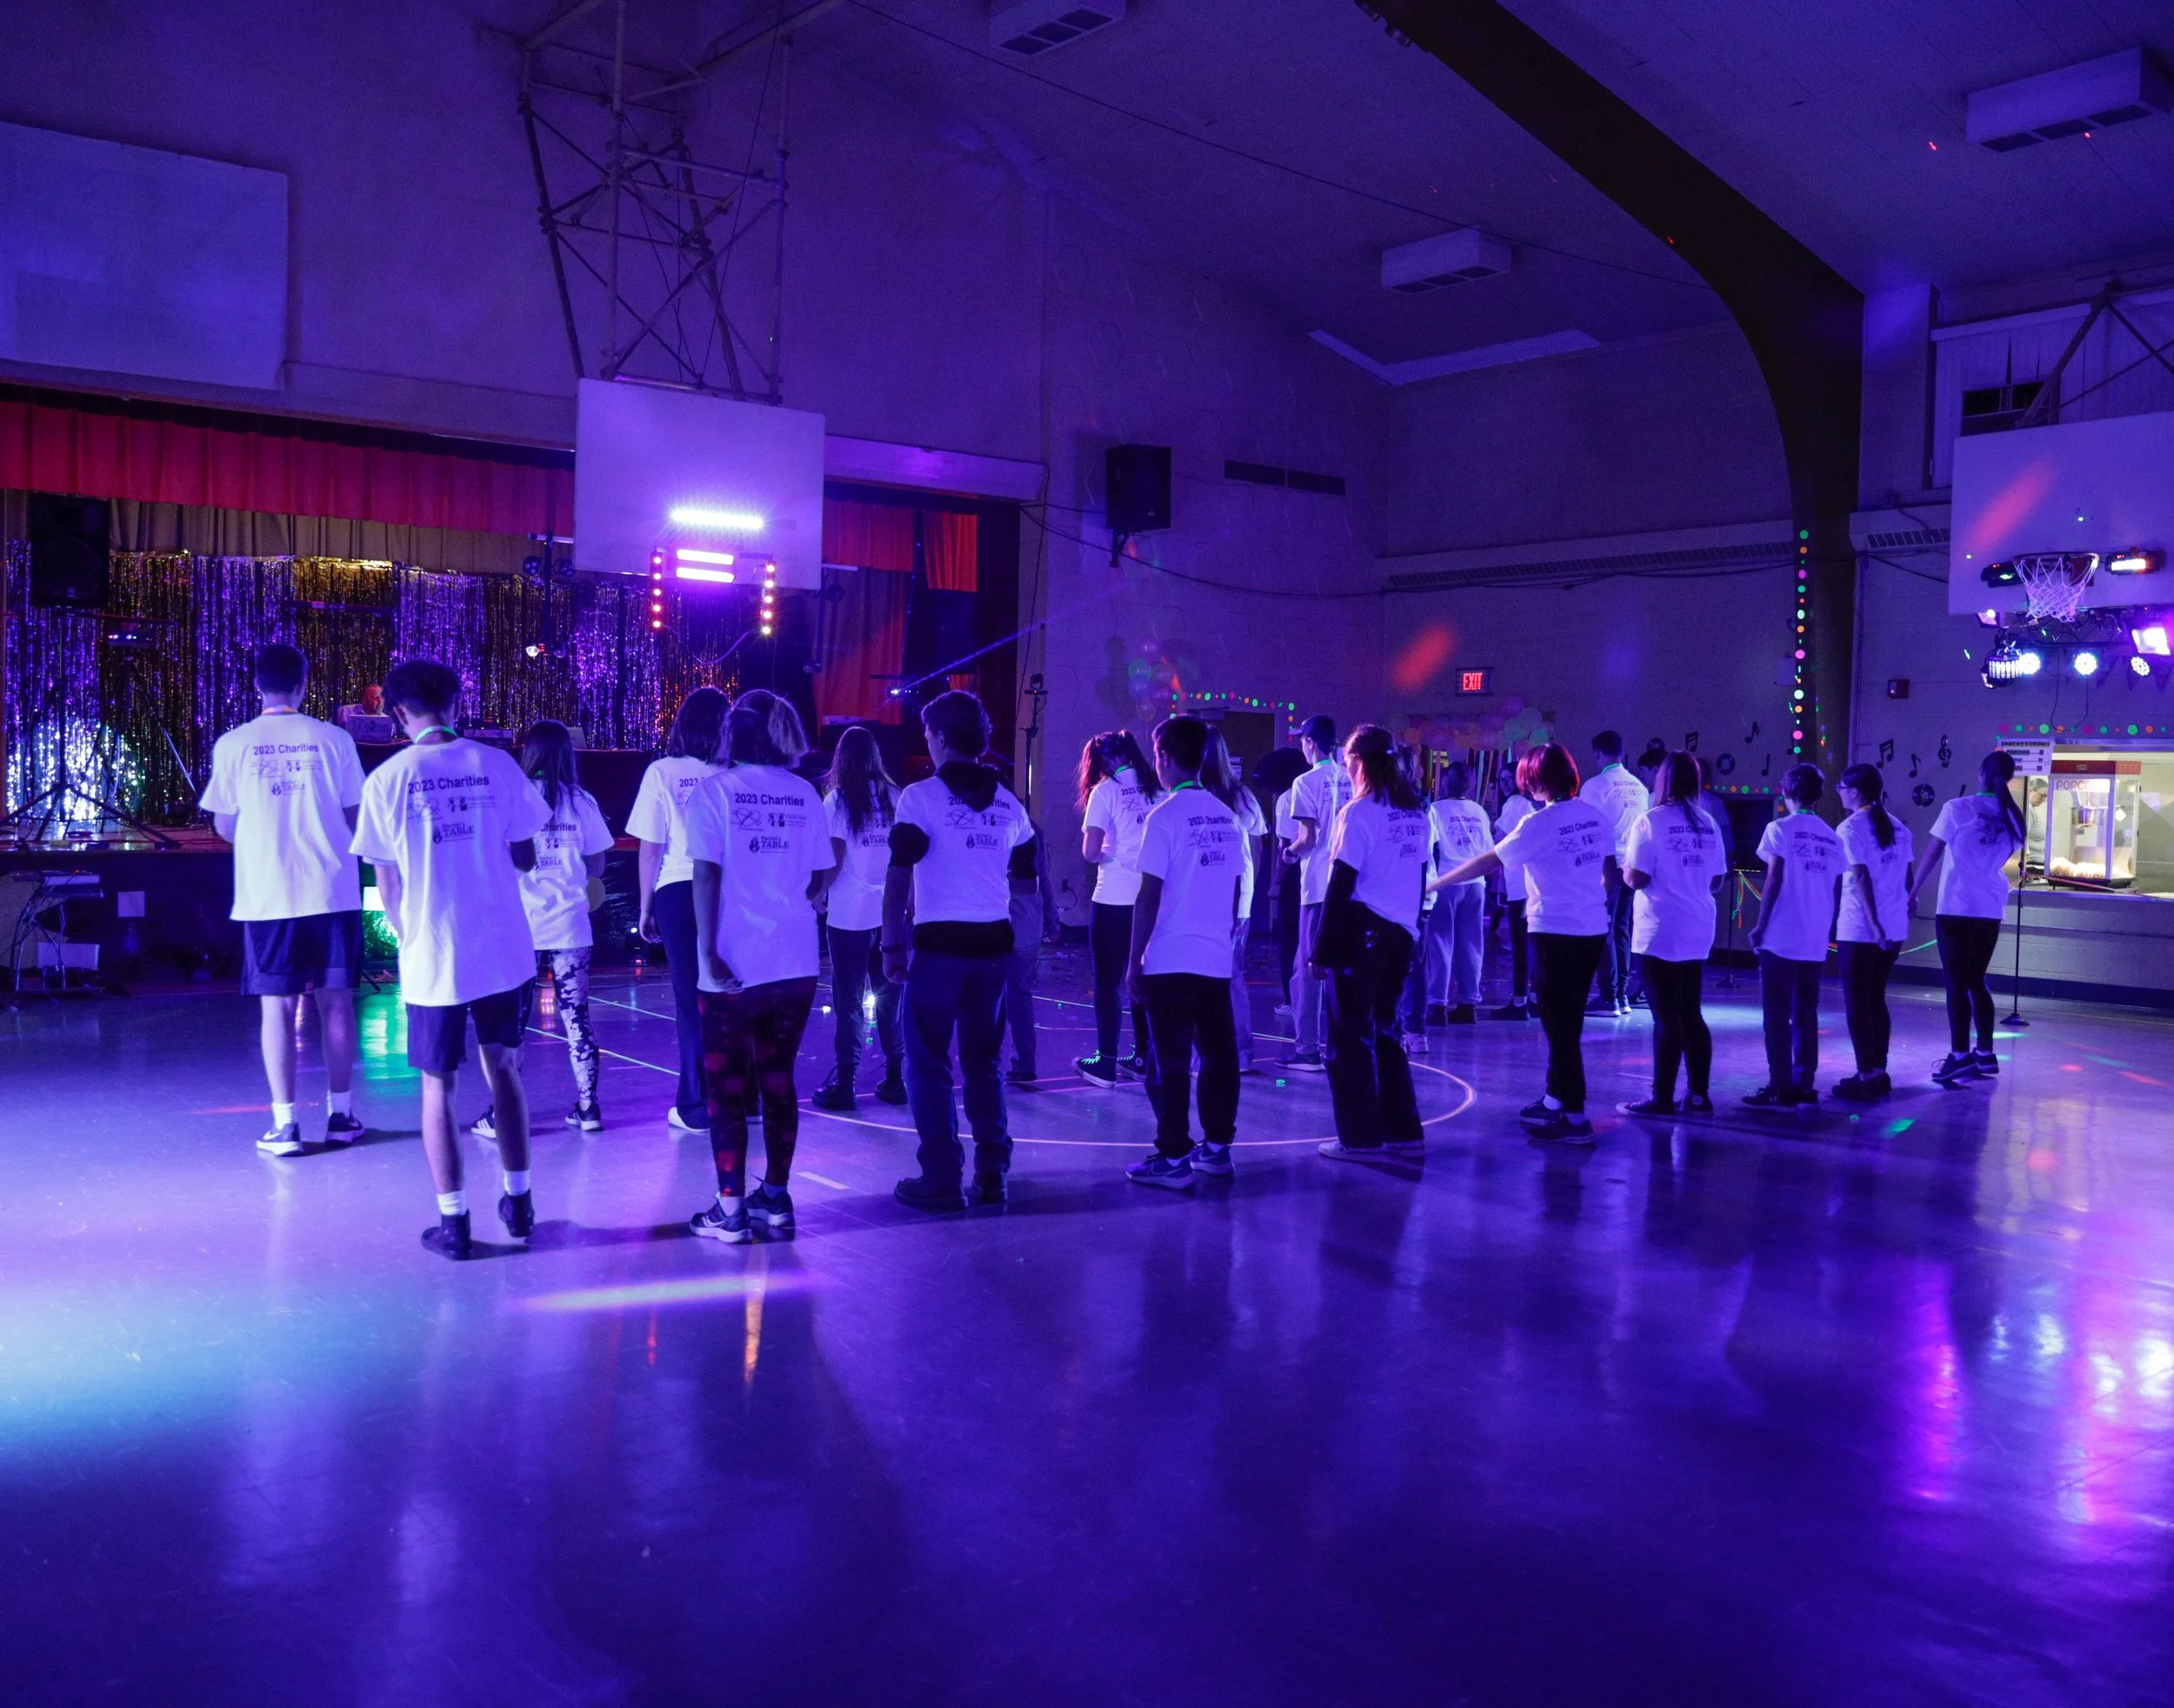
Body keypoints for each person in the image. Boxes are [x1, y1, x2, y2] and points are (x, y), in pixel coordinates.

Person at [351, 659, 551, 1260]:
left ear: (396, 714)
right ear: (458, 703)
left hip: (434, 950)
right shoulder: (496, 764)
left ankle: (455, 1222)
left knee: (437, 1085)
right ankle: (519, 1202)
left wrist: (410, 933)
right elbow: (526, 856)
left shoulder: (387, 780)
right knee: (505, 1071)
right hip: (502, 948)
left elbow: (386, 885)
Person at [200, 642, 368, 1155]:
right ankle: (340, 1116)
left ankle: (285, 1125)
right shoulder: (335, 738)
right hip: (333, 890)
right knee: (336, 1006)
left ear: (256, 685)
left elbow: (224, 824)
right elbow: (356, 816)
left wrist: (261, 832)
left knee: (277, 1008)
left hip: (270, 895)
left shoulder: (234, 744)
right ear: (303, 684)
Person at [680, 691, 835, 1244]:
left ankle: (731, 1209)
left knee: (726, 1089)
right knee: (778, 1080)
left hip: (732, 965)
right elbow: (821, 878)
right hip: (793, 961)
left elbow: (705, 876)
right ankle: (777, 1197)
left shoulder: (714, 793)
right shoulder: (806, 794)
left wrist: (707, 949)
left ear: (732, 734)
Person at [884, 691, 1040, 1212]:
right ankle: (993, 1174)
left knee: (927, 1063)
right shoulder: (1011, 805)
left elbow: (899, 876)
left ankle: (942, 1177)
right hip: (994, 951)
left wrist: (891, 943)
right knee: (985, 1062)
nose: (926, 742)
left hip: (939, 951)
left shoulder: (921, 798)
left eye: (929, 734)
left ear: (943, 739)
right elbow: (1024, 889)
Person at [1437, 744, 1609, 1144]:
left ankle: (1577, 1118)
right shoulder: (1593, 817)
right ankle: (1553, 1100)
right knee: (1569, 1020)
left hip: (1554, 931)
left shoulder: (1539, 823)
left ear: (1536, 780)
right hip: (1590, 929)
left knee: (1559, 1026)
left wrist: (1436, 883)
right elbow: (1608, 873)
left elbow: (1488, 862)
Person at [1124, 716, 1246, 1189]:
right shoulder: (1226, 816)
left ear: (1165, 757)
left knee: (1169, 1063)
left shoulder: (1165, 817)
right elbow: (1234, 891)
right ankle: (1217, 1149)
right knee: (1219, 1057)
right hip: (1215, 959)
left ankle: (1173, 1156)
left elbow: (1148, 895)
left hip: (1171, 959)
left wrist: (1134, 962)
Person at [1313, 725, 1430, 1161]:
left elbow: (1340, 885)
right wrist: (1415, 931)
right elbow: (1418, 879)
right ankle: (1404, 1130)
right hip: (1400, 935)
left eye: (1347, 763)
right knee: (1387, 1033)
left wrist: (1320, 951)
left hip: (1361, 934)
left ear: (1359, 762)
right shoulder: (1414, 812)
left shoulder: (1359, 812)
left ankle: (1360, 1138)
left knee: (1349, 1039)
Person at [504, 720, 614, 1132]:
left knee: (513, 1025)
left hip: (521, 927)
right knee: (577, 1018)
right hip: (570, 926)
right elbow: (599, 863)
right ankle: (589, 1108)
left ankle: (506, 1113)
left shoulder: (513, 798)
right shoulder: (581, 801)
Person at [628, 688, 728, 1133]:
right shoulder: (735, 773)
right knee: (732, 993)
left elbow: (650, 849)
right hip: (729, 891)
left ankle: (696, 1106)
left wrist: (645, 906)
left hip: (677, 890)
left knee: (692, 1000)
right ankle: (743, 1100)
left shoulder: (662, 772)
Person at [1618, 752, 1727, 1117]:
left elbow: (1637, 879)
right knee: (1691, 1012)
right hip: (1698, 926)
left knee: (1664, 1016)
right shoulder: (1707, 822)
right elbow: (1717, 879)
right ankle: (1698, 1094)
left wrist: (1625, 870)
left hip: (1661, 927)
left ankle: (1661, 1097)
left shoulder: (1650, 821)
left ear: (1662, 781)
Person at [1911, 750, 2025, 1086]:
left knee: (1956, 984)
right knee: (1976, 980)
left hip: (1956, 907)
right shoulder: (2013, 819)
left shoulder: (1957, 808)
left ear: (1980, 774)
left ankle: (1960, 1056)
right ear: (2008, 778)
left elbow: (1932, 852)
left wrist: (1913, 891)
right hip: (1989, 908)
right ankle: (1986, 1054)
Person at [812, 726, 904, 1112]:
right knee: (889, 1000)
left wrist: (816, 894)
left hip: (850, 915)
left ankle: (846, 1084)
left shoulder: (837, 801)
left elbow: (833, 858)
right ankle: (897, 1079)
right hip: (889, 913)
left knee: (849, 1000)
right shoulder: (894, 796)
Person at [1744, 764, 1844, 1107]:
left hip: (1782, 934)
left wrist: (1760, 925)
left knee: (1776, 1015)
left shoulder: (1779, 829)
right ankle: (1804, 1081)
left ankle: (1780, 1084)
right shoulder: (1832, 836)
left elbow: (1774, 879)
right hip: (1815, 935)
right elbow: (1836, 884)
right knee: (1806, 1013)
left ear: (1786, 793)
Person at [1075, 731, 1162, 1086]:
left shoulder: (1104, 791)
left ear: (1102, 761)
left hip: (1113, 897)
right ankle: (1144, 1055)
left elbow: (1090, 851)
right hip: (1153, 899)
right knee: (1143, 977)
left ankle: (1107, 1061)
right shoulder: (1157, 788)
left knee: (1108, 981)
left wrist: (1109, 853)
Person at [1834, 762, 1913, 1101]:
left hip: (1861, 929)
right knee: (1876, 1000)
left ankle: (1865, 1075)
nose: (1839, 792)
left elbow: (1861, 877)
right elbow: (1908, 878)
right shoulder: (1900, 828)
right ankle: (1878, 1071)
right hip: (1894, 929)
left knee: (1856, 1003)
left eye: (1841, 787)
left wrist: (1875, 925)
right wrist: (1895, 918)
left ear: (1854, 791)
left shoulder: (1850, 828)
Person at [1282, 713, 1353, 1071]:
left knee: (1307, 968)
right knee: (1342, 968)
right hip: (1351, 886)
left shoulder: (1305, 783)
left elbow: (1308, 838)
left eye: (1302, 740)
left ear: (1311, 742)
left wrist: (1289, 852)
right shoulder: (1352, 779)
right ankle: (1344, 1046)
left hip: (1317, 887)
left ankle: (1307, 1050)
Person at [1200, 728, 1264, 1072]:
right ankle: (1240, 1054)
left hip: (1208, 899)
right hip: (1241, 899)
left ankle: (1206, 1055)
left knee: (1202, 977)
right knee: (1232, 976)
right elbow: (1255, 851)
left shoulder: (1197, 798)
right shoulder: (1243, 796)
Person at [1579, 730, 1651, 1017]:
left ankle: (1608, 997)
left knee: (1602, 928)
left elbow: (1587, 828)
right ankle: (1621, 995)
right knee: (1621, 928)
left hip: (1606, 867)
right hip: (1632, 866)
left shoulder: (1595, 786)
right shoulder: (1639, 787)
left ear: (1598, 753)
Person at [1425, 760, 1493, 1025]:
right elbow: (1488, 849)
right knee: (1472, 944)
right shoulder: (1479, 811)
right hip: (1476, 883)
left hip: (1447, 881)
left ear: (1445, 782)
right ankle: (1467, 1003)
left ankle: (1437, 1005)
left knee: (1440, 942)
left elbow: (1430, 847)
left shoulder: (1436, 809)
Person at [1004, 812, 1057, 1085]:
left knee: (987, 998)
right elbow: (1044, 878)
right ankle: (1024, 1063)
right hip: (1028, 924)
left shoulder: (989, 822)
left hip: (995, 922)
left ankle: (987, 1064)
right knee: (1020, 995)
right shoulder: (1032, 827)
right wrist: (1052, 919)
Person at [1490, 756, 1538, 1019]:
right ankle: (1533, 999)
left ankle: (1519, 1002)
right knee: (1531, 945)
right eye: (1501, 781)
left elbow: (1498, 840)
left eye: (1510, 780)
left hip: (1520, 886)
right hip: (1533, 884)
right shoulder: (1534, 804)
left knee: (1521, 945)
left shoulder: (1515, 803)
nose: (1505, 785)